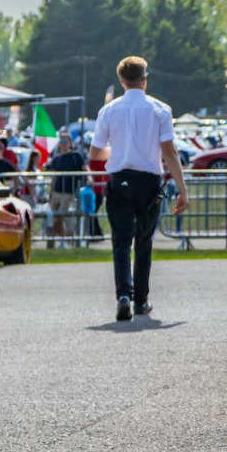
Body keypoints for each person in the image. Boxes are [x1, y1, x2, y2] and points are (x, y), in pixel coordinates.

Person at [89, 56, 188, 321]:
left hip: (119, 179)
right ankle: (141, 300)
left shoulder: (108, 110)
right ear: (145, 79)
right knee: (143, 241)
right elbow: (169, 152)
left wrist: (119, 151)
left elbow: (96, 153)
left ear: (122, 80)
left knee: (121, 241)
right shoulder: (160, 110)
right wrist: (182, 189)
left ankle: (123, 295)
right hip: (148, 181)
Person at [45, 135, 86, 243]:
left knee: (62, 215)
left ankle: (67, 238)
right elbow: (54, 178)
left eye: (65, 141)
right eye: (61, 141)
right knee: (52, 216)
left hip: (68, 191)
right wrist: (50, 193)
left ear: (70, 143)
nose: (63, 144)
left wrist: (89, 178)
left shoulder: (76, 155)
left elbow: (85, 168)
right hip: (56, 191)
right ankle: (57, 239)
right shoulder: (56, 159)